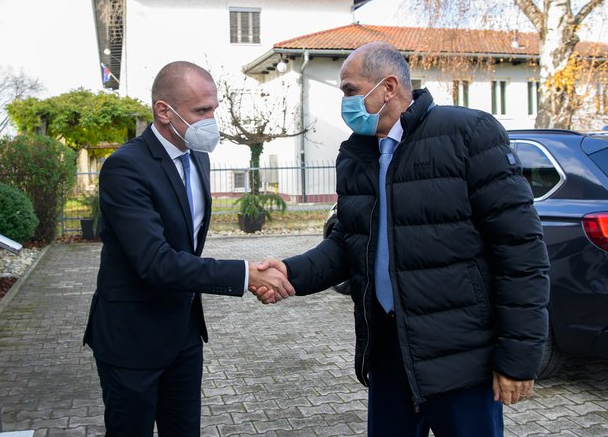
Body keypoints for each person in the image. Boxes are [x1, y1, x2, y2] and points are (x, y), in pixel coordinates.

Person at [255, 42, 550, 436]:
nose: (344, 102)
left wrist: (517, 358)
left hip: (459, 361)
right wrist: (289, 271)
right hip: (389, 352)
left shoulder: (467, 134)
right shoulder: (357, 155)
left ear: (388, 87)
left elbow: (521, 254)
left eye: (349, 90)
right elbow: (347, 243)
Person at [83, 61, 294, 437]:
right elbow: (155, 262)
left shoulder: (199, 157)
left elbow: (188, 243)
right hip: (132, 339)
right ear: (164, 111)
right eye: (201, 111)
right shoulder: (125, 168)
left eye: (213, 109)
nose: (211, 119)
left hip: (183, 334)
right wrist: (246, 275)